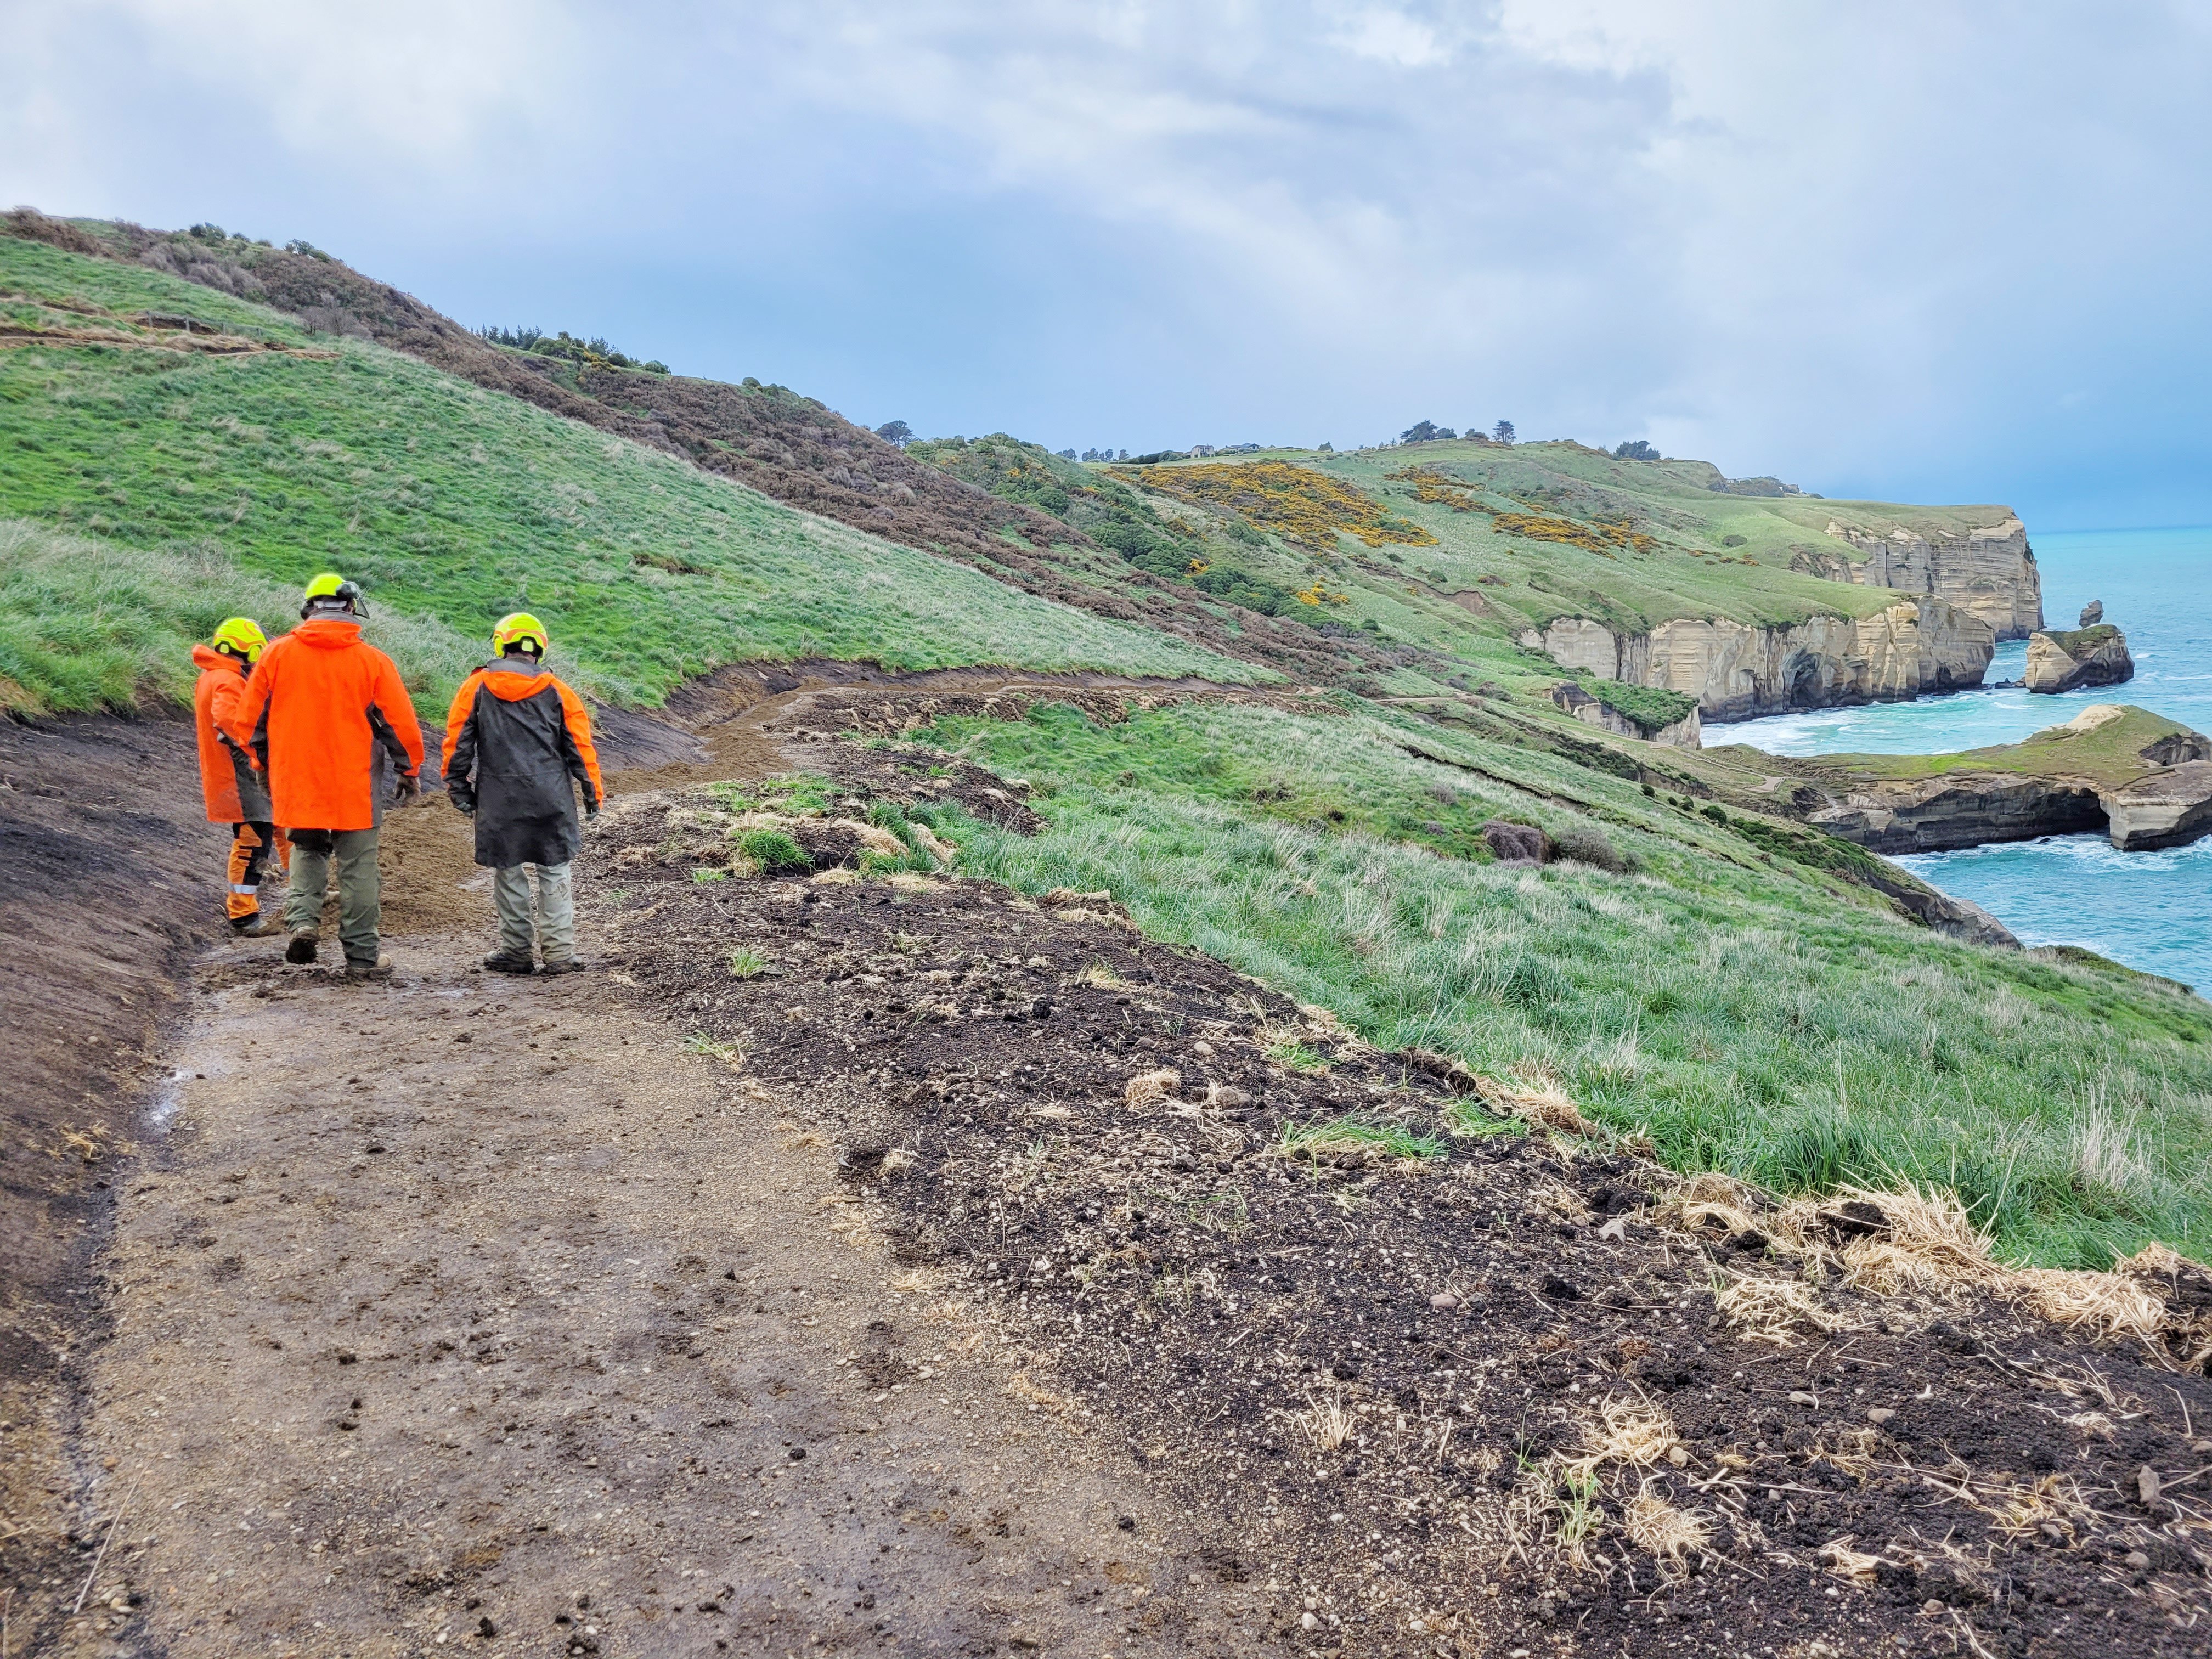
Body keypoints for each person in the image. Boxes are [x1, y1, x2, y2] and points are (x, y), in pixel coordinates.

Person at [226, 574, 423, 978]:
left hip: (298, 780)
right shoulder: (374, 661)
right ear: (351, 608)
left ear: (309, 608)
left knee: (308, 851)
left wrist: (264, 766)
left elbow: (249, 723)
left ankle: (303, 923)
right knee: (359, 867)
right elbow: (399, 725)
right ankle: (363, 957)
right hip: (356, 785)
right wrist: (409, 770)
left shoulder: (276, 655)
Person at [442, 611, 604, 976]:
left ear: (502, 644)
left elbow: (457, 745)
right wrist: (592, 794)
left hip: (499, 800)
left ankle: (516, 952)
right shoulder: (559, 691)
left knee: (509, 873)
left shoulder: (476, 687)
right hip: (552, 799)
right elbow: (580, 747)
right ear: (540, 650)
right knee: (555, 871)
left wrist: (458, 789)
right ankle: (560, 954)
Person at [190, 617, 288, 936]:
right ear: (246, 650)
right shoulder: (227, 680)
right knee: (253, 840)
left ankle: (302, 889)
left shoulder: (215, 676)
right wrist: (257, 749)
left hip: (237, 770)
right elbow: (228, 720)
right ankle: (243, 915)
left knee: (278, 827)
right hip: (238, 774)